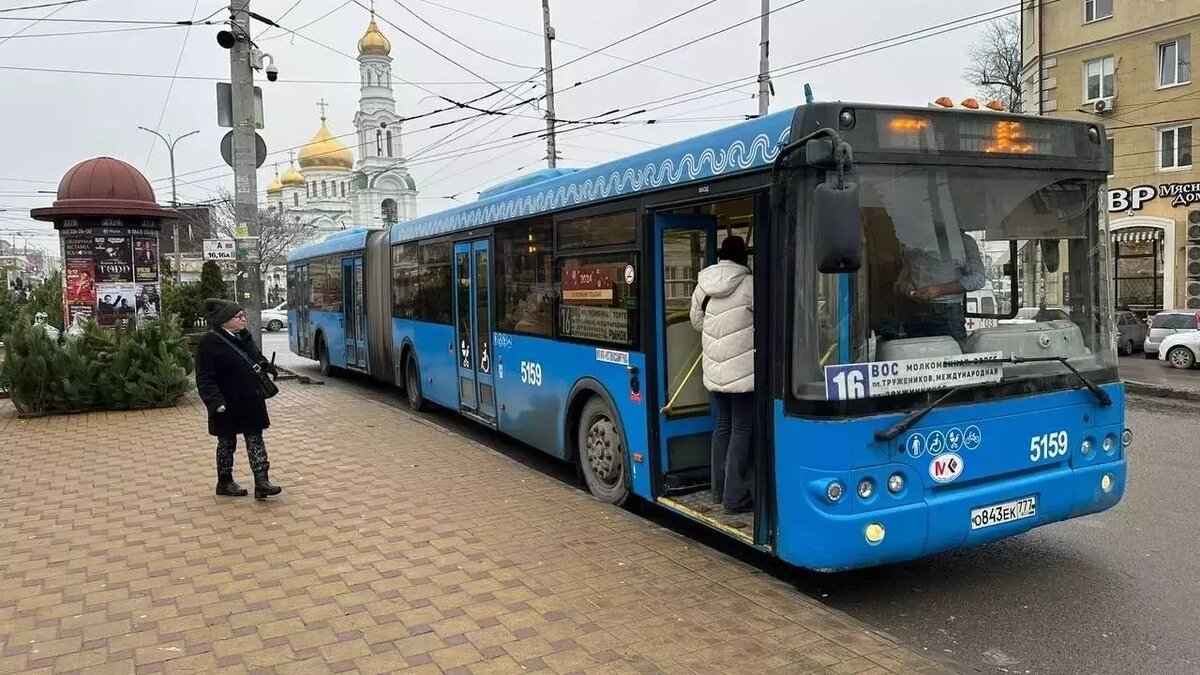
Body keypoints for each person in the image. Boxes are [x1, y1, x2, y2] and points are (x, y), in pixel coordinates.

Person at [690, 236, 754, 515]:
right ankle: (735, 496)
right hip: (742, 373)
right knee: (742, 429)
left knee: (723, 427)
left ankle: (718, 490)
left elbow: (697, 322)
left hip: (715, 371)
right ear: (743, 257)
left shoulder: (703, 285)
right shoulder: (750, 284)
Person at [196, 298, 282, 500]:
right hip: (226, 403)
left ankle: (262, 482)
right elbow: (204, 376)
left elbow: (255, 357)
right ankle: (224, 481)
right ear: (225, 320)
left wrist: (266, 366)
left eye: (243, 315)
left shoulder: (243, 336)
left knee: (255, 439)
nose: (243, 319)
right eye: (239, 316)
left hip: (251, 398)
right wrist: (215, 402)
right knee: (227, 442)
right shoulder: (210, 342)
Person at [892, 228, 985, 343]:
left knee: (952, 358)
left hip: (946, 312)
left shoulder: (961, 241)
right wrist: (904, 286)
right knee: (914, 357)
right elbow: (901, 281)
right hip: (913, 311)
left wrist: (939, 290)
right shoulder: (910, 243)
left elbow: (978, 279)